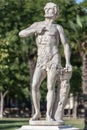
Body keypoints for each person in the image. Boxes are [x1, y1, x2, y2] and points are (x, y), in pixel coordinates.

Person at [19, 2, 72, 121]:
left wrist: (68, 62)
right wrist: (35, 30)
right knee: (34, 86)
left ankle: (48, 114)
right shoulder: (37, 24)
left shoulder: (58, 27)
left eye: (52, 9)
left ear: (56, 13)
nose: (49, 10)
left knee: (50, 86)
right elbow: (21, 33)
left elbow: (66, 44)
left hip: (54, 58)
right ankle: (37, 112)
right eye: (47, 8)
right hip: (41, 59)